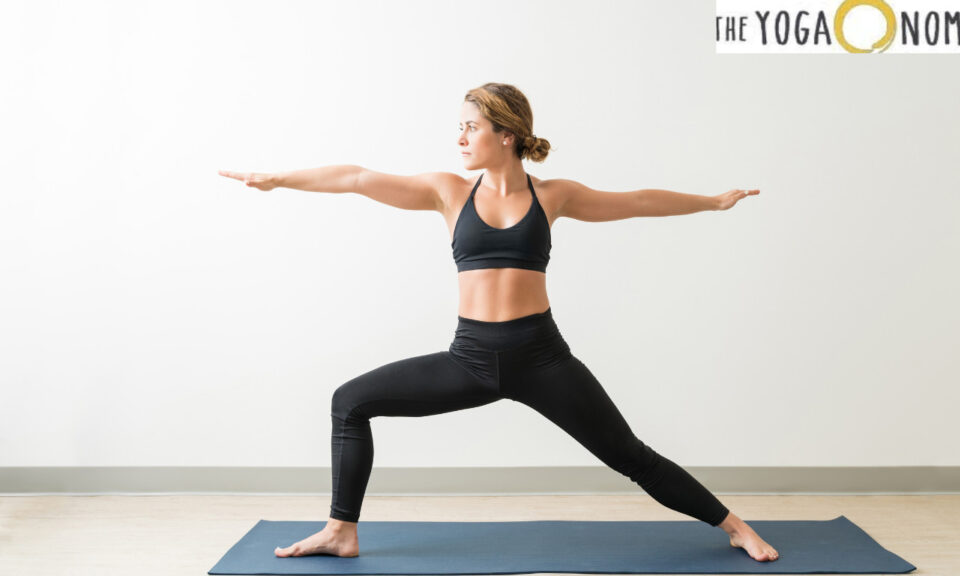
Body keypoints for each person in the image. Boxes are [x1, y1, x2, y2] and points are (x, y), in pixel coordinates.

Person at [218, 82, 777, 562]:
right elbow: (359, 177)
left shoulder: (553, 195)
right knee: (350, 401)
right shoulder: (447, 191)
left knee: (628, 454)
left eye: (470, 127)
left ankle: (735, 528)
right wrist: (280, 179)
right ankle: (341, 531)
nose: (460, 138)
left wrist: (710, 202)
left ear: (505, 134)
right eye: (459, 128)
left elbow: (634, 200)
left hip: (543, 358)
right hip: (470, 360)